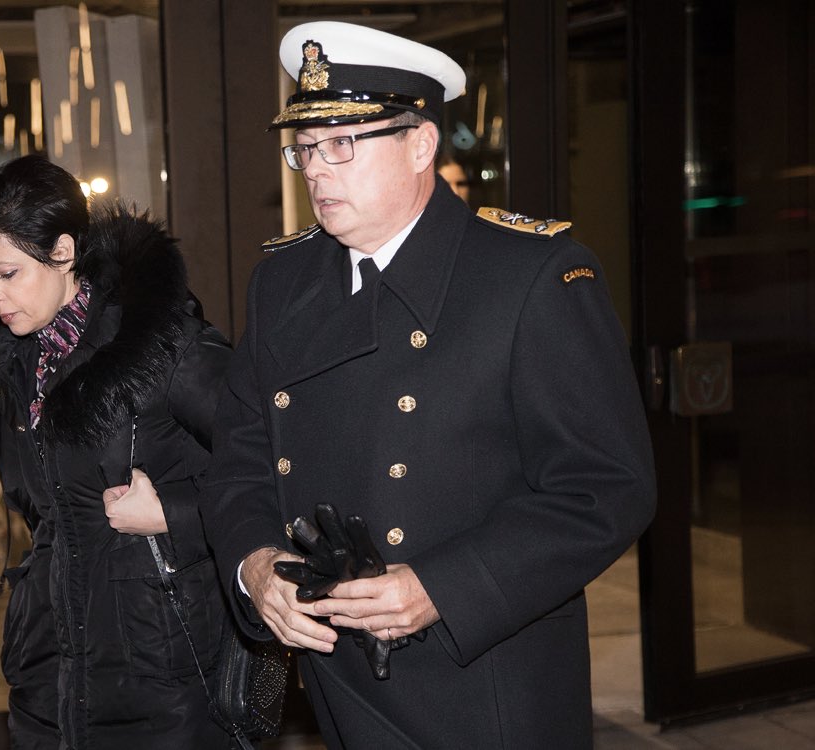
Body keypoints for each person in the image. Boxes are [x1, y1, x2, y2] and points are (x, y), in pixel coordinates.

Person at [198, 21, 657, 749]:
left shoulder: (528, 277)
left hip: (484, 683)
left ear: (420, 145)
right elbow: (239, 462)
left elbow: (605, 486)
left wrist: (441, 586)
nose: (315, 170)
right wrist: (255, 566)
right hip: (338, 676)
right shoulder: (281, 283)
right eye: (305, 147)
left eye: (343, 144)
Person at [0, 155, 234, 749]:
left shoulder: (159, 347)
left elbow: (278, 467)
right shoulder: (14, 368)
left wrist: (176, 513)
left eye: (7, 273)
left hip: (164, 678)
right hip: (49, 676)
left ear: (63, 251)